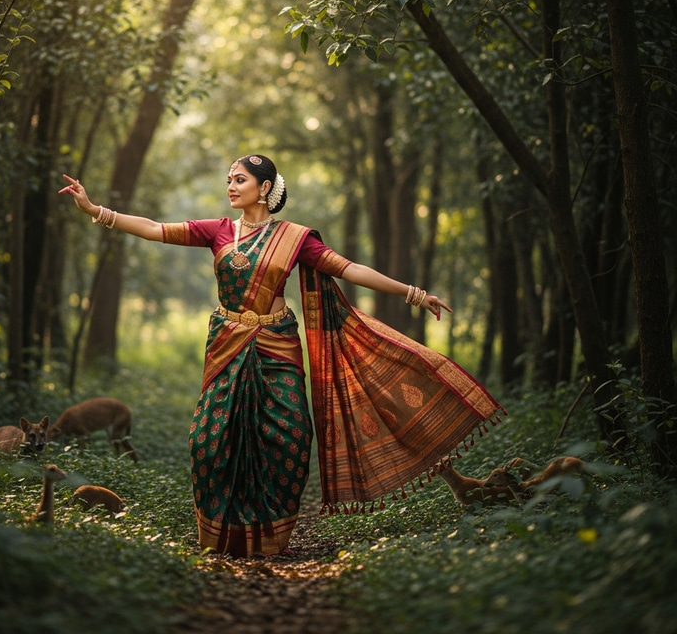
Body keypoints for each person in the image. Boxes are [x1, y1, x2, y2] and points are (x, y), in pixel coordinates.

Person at [60, 154, 503, 557]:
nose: (231, 186)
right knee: (209, 440)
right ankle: (223, 534)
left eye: (240, 179)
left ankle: (271, 532)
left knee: (290, 435)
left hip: (277, 345)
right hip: (228, 344)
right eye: (229, 179)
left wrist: (413, 293)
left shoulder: (295, 239)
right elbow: (155, 229)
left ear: (265, 188)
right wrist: (95, 209)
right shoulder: (217, 231)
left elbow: (348, 269)